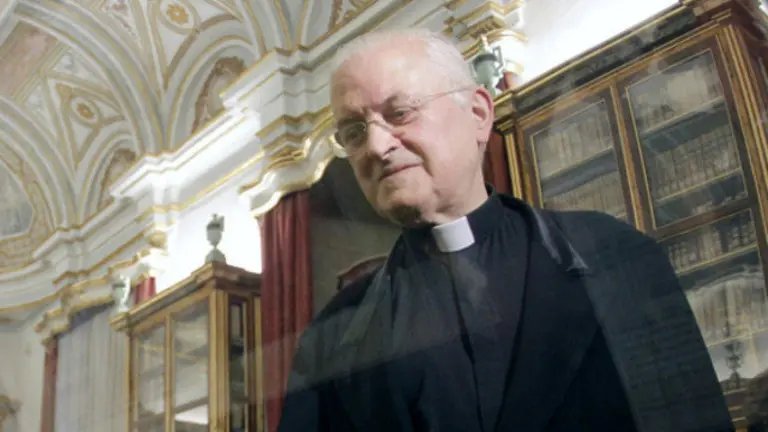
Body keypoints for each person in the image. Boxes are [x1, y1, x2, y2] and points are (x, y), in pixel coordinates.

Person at [278, 28, 733, 432]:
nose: (376, 146)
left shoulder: (615, 256)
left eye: (400, 112)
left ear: (478, 114)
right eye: (354, 131)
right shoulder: (334, 335)